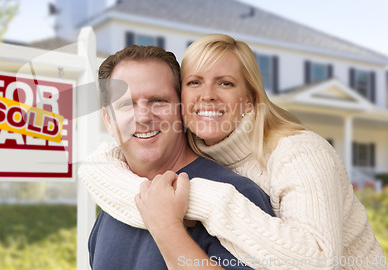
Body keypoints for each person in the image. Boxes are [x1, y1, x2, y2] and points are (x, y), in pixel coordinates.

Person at [79, 34, 386, 270]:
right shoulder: (117, 196)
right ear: (107, 118)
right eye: (195, 82)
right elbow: (98, 167)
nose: (207, 96)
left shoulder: (288, 161)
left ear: (250, 98)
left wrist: (184, 214)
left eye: (158, 101)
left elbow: (319, 260)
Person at [87, 45, 274, 270]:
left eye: (158, 101)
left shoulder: (236, 194)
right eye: (127, 104)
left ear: (182, 110)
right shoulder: (114, 200)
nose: (144, 117)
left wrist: (168, 228)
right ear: (108, 120)